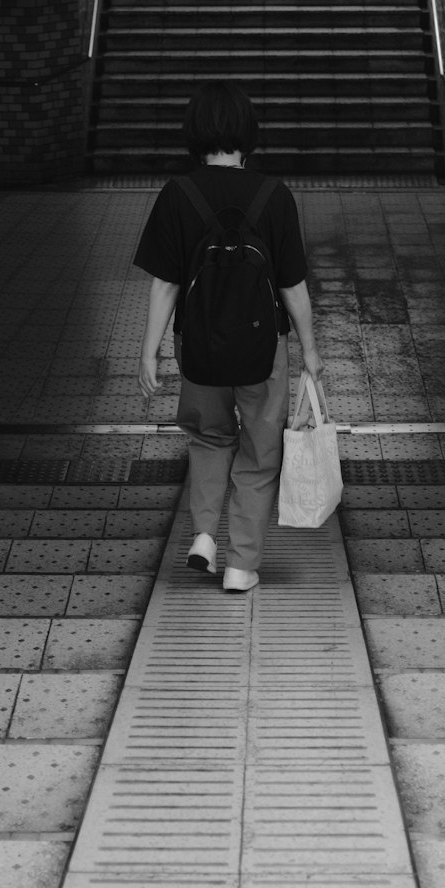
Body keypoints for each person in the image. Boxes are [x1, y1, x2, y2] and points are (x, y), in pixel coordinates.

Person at [135, 81, 325, 592]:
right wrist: (310, 352)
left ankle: (203, 535)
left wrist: (149, 350)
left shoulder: (178, 195)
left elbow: (166, 282)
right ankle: (241, 565)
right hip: (263, 350)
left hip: (197, 348)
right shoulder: (273, 195)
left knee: (208, 437)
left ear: (195, 133)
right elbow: (292, 284)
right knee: (260, 453)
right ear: (248, 133)